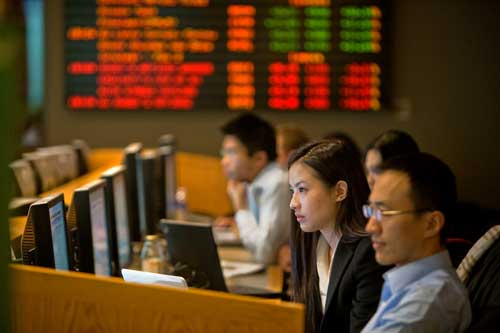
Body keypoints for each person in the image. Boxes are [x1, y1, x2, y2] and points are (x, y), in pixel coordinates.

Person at [361, 153, 471, 332]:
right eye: (371, 211)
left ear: (431, 224)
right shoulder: (407, 283)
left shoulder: (428, 302)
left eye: (384, 212)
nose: (370, 227)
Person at [288, 140, 387, 333]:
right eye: (292, 191)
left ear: (339, 191)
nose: (293, 203)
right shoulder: (312, 242)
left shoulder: (369, 252)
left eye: (302, 190)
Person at [217, 113, 291, 264]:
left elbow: (264, 253)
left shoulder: (277, 184)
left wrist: (241, 209)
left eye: (231, 152)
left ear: (259, 159)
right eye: (223, 153)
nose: (224, 161)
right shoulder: (252, 183)